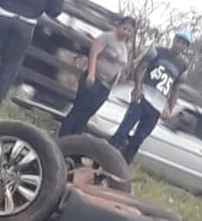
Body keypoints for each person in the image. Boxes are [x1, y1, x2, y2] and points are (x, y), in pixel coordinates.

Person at [108, 30, 193, 164]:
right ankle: (103, 158)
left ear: (186, 48)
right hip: (143, 96)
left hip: (157, 106)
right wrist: (137, 86)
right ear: (174, 39)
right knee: (123, 131)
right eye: (178, 41)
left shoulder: (182, 66)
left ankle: (122, 166)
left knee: (138, 139)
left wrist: (169, 108)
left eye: (183, 44)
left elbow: (176, 89)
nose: (179, 45)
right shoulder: (157, 51)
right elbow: (141, 67)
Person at [58, 15, 137, 137]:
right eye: (124, 28)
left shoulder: (125, 47)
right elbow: (93, 53)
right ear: (119, 26)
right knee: (79, 110)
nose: (126, 32)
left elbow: (122, 66)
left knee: (87, 115)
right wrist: (91, 73)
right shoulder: (107, 37)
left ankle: (73, 140)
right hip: (95, 79)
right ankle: (63, 136)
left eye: (129, 31)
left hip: (106, 86)